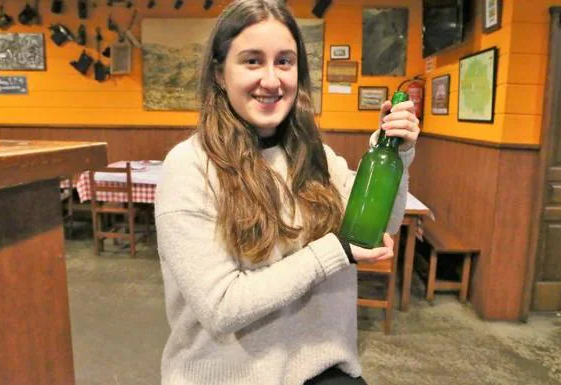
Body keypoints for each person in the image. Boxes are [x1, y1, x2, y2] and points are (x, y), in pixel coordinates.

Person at [154, 1, 420, 384]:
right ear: (218, 73)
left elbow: (383, 225)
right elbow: (221, 306)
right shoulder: (190, 167)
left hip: (322, 366)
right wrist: (333, 252)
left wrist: (396, 153)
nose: (272, 79)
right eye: (251, 61)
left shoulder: (318, 157)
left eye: (284, 61)